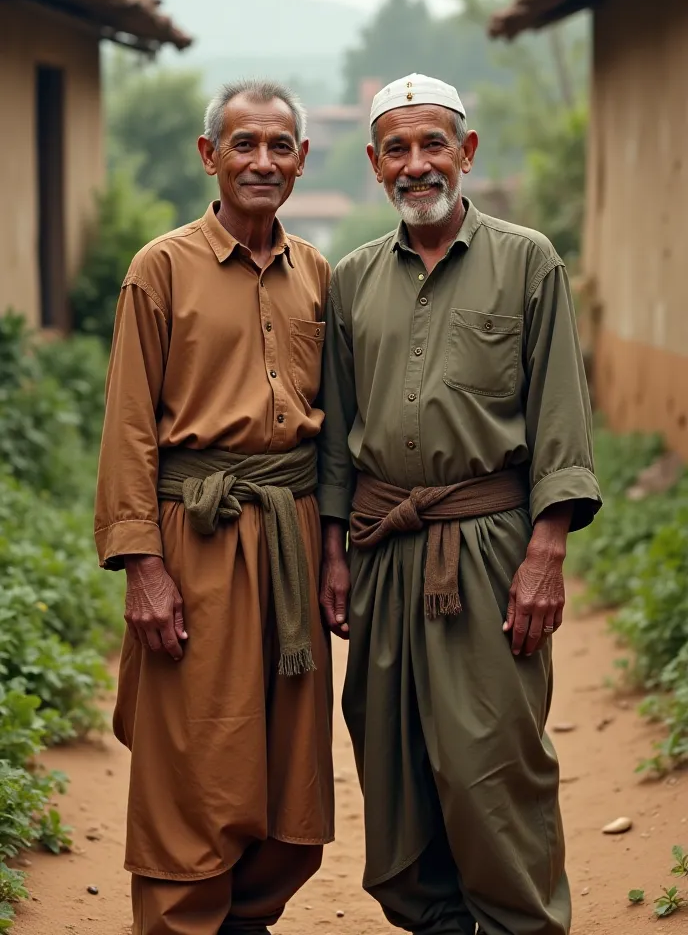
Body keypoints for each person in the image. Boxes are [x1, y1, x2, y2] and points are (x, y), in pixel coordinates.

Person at [317, 73, 602, 935]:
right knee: (393, 758)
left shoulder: (527, 261)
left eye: (432, 143)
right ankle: (433, 920)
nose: (416, 165)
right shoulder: (351, 281)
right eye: (396, 149)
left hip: (488, 548)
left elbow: (559, 415)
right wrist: (335, 551)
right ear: (373, 164)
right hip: (381, 546)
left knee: (491, 759)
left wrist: (545, 552)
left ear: (466, 152)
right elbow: (337, 434)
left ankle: (518, 921)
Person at [95, 80, 334, 935]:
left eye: (279, 146)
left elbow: (332, 430)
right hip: (194, 538)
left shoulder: (317, 273)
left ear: (302, 160)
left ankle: (247, 920)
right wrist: (142, 567)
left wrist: (334, 549)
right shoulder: (160, 268)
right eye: (244, 144)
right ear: (211, 155)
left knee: (290, 765)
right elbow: (127, 425)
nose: (262, 161)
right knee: (197, 759)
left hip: (293, 538)